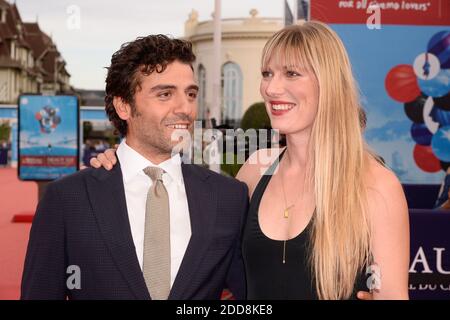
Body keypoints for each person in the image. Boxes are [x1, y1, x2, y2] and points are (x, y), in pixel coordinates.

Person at [91, 22, 409, 300]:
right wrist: (125, 165)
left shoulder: (374, 184)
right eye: (267, 74)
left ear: (329, 85)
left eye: (291, 74)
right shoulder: (256, 170)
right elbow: (184, 221)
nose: (271, 88)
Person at [21, 35, 248, 300]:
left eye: (191, 94)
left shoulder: (228, 197)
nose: (185, 108)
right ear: (124, 106)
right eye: (165, 94)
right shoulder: (67, 199)